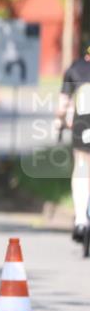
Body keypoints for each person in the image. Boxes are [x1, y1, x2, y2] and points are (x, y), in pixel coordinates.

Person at [54, 44, 90, 243]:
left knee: (81, 168)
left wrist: (60, 122)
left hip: (83, 124)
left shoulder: (75, 68)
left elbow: (62, 106)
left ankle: (81, 220)